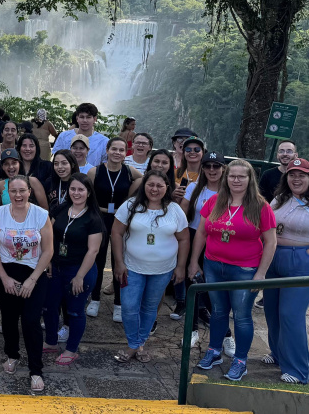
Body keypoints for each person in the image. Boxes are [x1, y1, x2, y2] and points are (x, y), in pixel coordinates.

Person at [188, 159, 276, 382]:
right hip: (214, 265)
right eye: (232, 176)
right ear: (226, 178)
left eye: (241, 176)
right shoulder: (216, 201)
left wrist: (260, 274)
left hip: (245, 269)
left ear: (250, 179)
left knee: (242, 316)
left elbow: (271, 241)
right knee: (217, 311)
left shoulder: (260, 206)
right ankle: (214, 351)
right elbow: (201, 233)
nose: (236, 180)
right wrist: (193, 262)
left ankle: (240, 361)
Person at [111, 170, 189, 364]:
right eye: (150, 185)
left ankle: (139, 344)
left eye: (159, 186)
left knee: (150, 308)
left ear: (167, 188)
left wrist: (181, 267)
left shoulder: (175, 210)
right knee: (129, 307)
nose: (154, 189)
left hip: (162, 270)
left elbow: (184, 238)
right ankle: (134, 344)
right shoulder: (129, 206)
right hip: (132, 267)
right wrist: (119, 262)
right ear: (144, 185)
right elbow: (116, 233)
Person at [0, 175, 53, 392]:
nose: (18, 195)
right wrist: (4, 277)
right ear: (8, 192)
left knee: (31, 320)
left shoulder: (41, 214)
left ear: (29, 191)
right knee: (8, 317)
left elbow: (48, 250)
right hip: (7, 269)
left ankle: (36, 369)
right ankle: (12, 354)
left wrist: (33, 279)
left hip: (34, 271)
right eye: (13, 191)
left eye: (22, 190)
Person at [43, 173, 103, 365]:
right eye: (73, 189)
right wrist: (49, 261)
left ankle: (71, 349)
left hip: (79, 269)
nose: (76, 193)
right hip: (56, 267)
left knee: (75, 311)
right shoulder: (60, 209)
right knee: (49, 307)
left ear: (88, 192)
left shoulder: (93, 218)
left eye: (81, 189)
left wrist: (79, 277)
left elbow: (93, 251)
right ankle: (51, 342)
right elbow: (49, 236)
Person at [85, 138, 143, 320]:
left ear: (126, 153)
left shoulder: (128, 171)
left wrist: (127, 202)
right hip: (99, 218)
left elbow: (143, 179)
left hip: (120, 218)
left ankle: (118, 302)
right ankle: (95, 299)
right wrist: (100, 209)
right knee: (98, 258)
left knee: (120, 260)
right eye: (114, 149)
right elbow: (88, 195)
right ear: (107, 150)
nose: (117, 153)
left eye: (121, 150)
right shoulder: (95, 171)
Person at [265, 157, 309, 384]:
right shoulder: (280, 198)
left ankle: (300, 369)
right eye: (292, 174)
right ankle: (278, 354)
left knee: (291, 315)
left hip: (301, 259)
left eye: (302, 174)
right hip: (274, 258)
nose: (296, 178)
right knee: (272, 311)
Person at [177, 151, 226, 345]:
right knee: (193, 281)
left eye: (216, 166)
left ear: (223, 168)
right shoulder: (195, 187)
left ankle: (224, 332)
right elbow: (183, 209)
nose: (212, 170)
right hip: (193, 234)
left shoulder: (229, 190)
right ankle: (192, 330)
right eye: (208, 166)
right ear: (203, 168)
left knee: (215, 286)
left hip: (218, 239)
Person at [174, 136, 205, 203]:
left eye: (197, 149)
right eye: (188, 149)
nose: (192, 152)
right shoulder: (175, 173)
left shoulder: (207, 175)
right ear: (184, 152)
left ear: (203, 152)